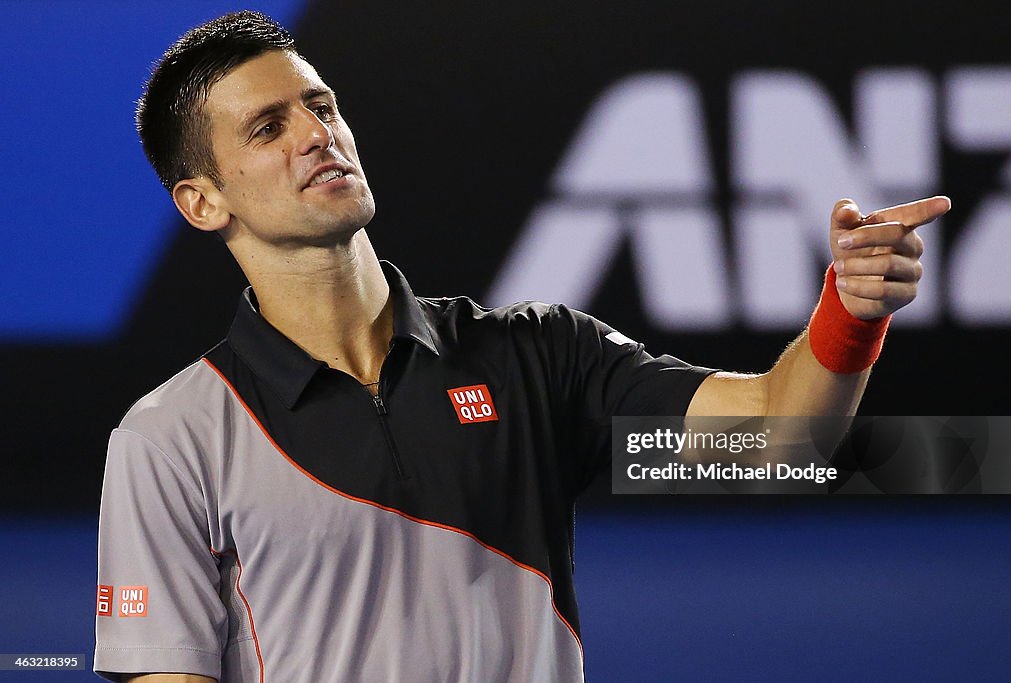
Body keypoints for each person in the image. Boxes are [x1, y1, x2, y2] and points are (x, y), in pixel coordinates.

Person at [94, 10, 950, 682]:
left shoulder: (538, 358)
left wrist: (852, 308)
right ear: (203, 203)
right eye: (267, 128)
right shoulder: (169, 439)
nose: (316, 134)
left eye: (320, 105)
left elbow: (776, 441)